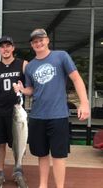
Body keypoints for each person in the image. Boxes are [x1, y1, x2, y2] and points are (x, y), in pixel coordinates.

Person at [16, 28, 90, 188]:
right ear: (31, 45)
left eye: (41, 39)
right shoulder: (30, 67)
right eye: (35, 41)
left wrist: (84, 104)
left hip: (58, 116)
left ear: (47, 40)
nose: (38, 43)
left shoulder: (61, 56)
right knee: (41, 154)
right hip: (37, 116)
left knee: (58, 155)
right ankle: (43, 185)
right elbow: (31, 90)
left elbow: (77, 79)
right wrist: (23, 90)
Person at [0, 36, 28, 188]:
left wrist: (23, 90)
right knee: (0, 144)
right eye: (2, 46)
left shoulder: (23, 64)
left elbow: (32, 86)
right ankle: (0, 173)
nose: (5, 49)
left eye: (8, 46)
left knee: (18, 143)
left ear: (13, 47)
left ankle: (18, 171)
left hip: (16, 112)